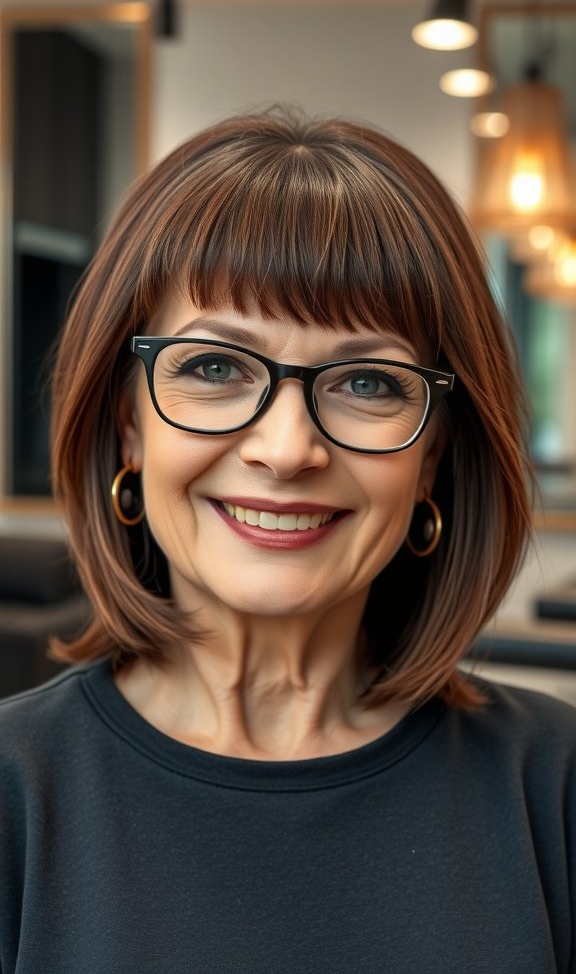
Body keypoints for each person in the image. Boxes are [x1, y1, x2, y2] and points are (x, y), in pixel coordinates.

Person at [0, 106, 574, 974]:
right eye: (215, 368)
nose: (287, 450)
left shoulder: (554, 786)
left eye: (369, 381)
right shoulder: (13, 795)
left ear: (432, 459)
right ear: (127, 426)